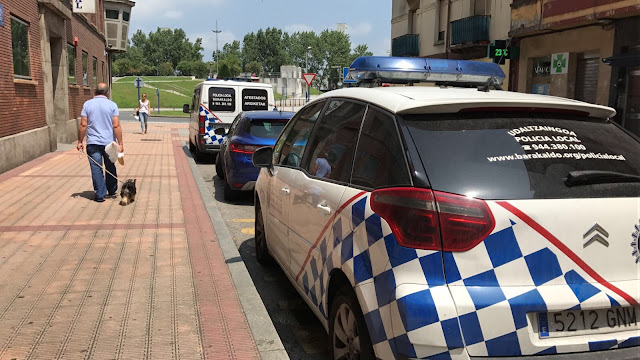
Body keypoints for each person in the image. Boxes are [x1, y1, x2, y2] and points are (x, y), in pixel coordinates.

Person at [77, 83, 124, 203]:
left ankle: (100, 194)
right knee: (110, 165)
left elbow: (83, 124)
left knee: (96, 168)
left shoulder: (87, 104)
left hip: (93, 142)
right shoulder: (112, 105)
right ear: (107, 92)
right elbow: (116, 125)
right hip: (109, 143)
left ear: (95, 92)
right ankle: (112, 189)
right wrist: (121, 142)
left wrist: (80, 141)